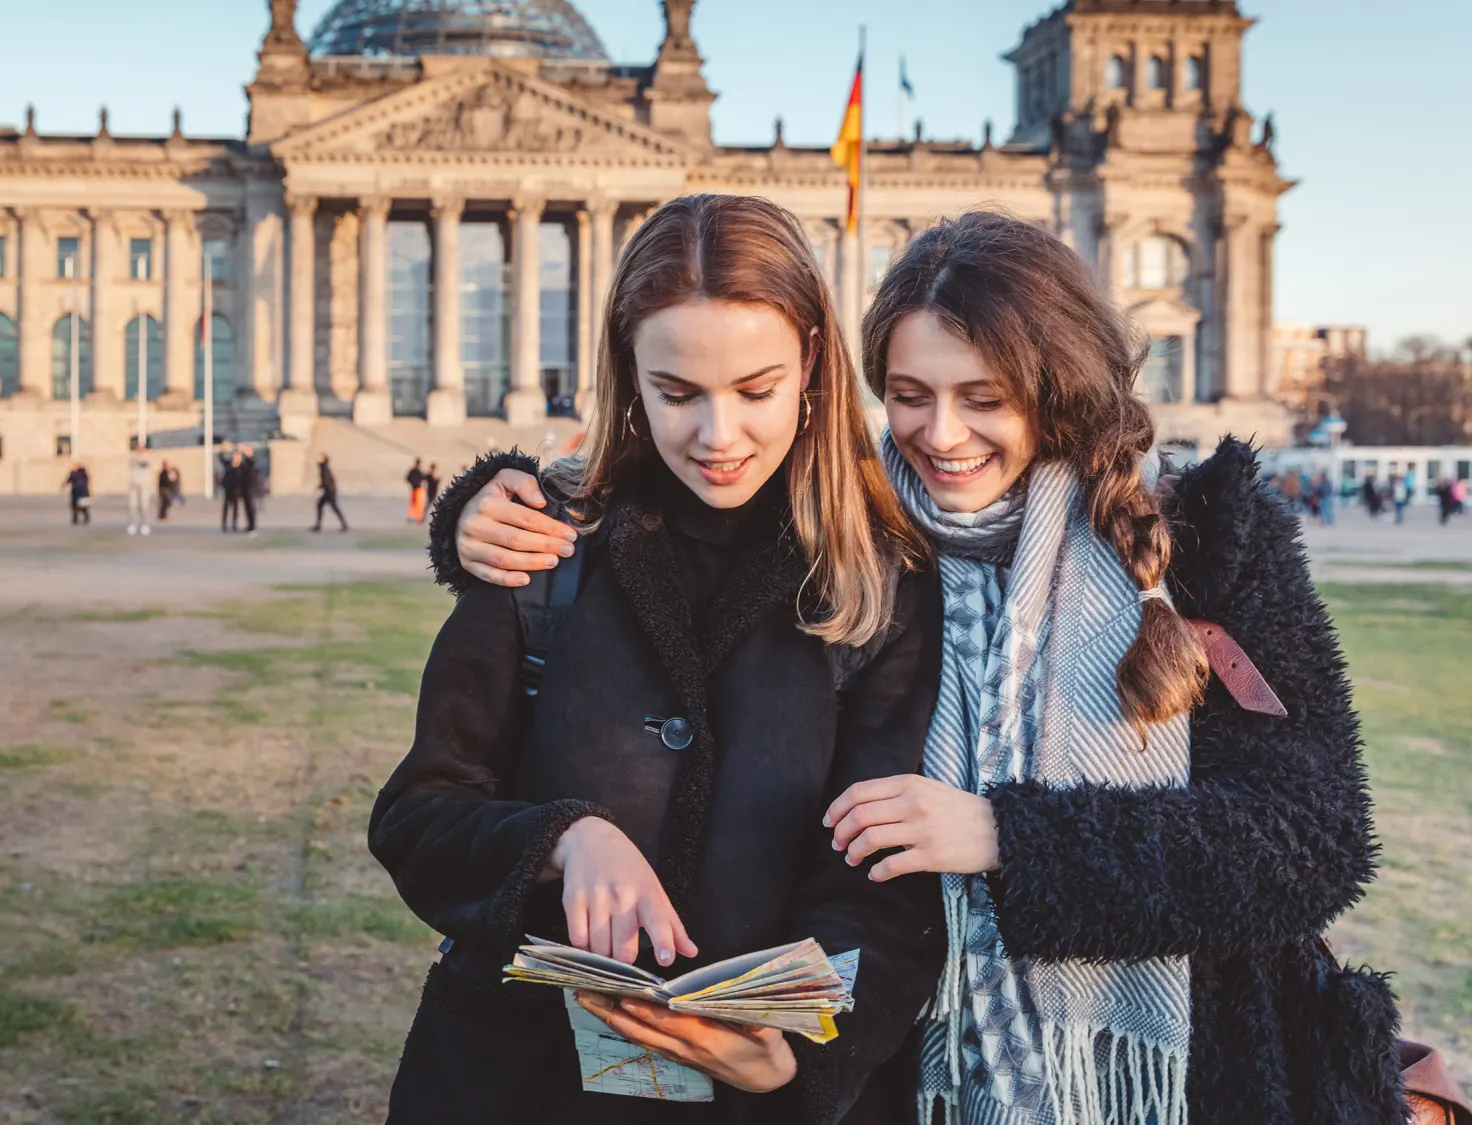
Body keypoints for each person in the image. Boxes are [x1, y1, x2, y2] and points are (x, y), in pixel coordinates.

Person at [441, 210, 1400, 1124]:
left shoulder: (1203, 536)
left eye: (985, 400)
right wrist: (482, 510)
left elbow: (1313, 841)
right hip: (909, 1067)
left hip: (1176, 1064)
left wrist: (1008, 836)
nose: (942, 436)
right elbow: (665, 513)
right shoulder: (855, 525)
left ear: (1056, 384)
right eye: (910, 396)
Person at [372, 194, 946, 1124]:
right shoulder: (543, 543)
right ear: (628, 375)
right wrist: (561, 838)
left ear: (810, 363)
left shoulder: (882, 579)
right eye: (676, 393)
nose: (717, 438)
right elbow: (419, 812)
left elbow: (885, 885)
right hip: (513, 1085)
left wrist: (798, 1052)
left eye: (754, 389)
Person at [311, 453, 348, 532]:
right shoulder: (323, 467)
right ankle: (318, 525)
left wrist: (320, 487)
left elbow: (326, 480)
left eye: (320, 458)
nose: (318, 459)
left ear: (324, 460)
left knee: (332, 507)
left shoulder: (324, 468)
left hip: (330, 491)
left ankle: (344, 525)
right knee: (321, 505)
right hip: (329, 490)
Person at [126, 443, 155, 536]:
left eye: (142, 448)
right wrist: (136, 458)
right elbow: (130, 465)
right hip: (133, 484)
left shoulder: (148, 458)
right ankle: (133, 524)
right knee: (132, 505)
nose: (140, 450)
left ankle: (145, 525)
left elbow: (146, 465)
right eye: (139, 448)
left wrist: (141, 458)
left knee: (144, 505)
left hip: (144, 484)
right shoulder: (133, 458)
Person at [238, 447, 261, 536]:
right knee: (247, 508)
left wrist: (248, 455)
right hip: (245, 487)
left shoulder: (252, 461)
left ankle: (252, 526)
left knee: (251, 508)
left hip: (250, 488)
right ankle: (249, 525)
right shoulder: (244, 461)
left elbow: (250, 464)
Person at [220, 451, 245, 532]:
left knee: (235, 508)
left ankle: (234, 523)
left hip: (236, 489)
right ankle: (224, 524)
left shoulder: (242, 467)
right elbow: (221, 458)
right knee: (226, 507)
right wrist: (223, 449)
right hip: (228, 488)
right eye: (235, 456)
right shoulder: (228, 464)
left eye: (238, 457)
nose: (236, 458)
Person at [64, 462, 91, 526]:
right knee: (76, 507)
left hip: (80, 492)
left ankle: (82, 518)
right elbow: (69, 480)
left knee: (81, 506)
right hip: (79, 492)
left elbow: (69, 480)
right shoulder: (81, 474)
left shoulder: (79, 473)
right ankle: (77, 519)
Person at [405, 457, 426, 522]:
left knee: (415, 503)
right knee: (417, 504)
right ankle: (417, 517)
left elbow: (408, 478)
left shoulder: (414, 471)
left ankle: (413, 517)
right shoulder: (416, 471)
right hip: (417, 489)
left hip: (415, 488)